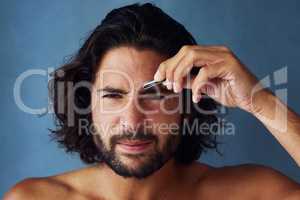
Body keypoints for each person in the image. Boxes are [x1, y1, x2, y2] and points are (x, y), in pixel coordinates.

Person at [4, 3, 300, 200]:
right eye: (112, 95)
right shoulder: (33, 198)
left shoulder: (250, 193)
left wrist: (258, 100)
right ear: (87, 104)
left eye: (157, 96)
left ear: (187, 107)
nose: (132, 122)